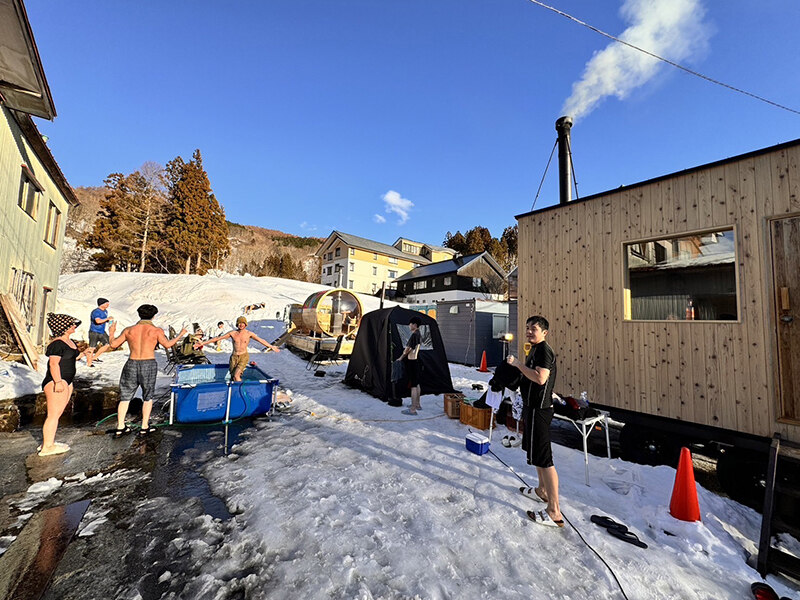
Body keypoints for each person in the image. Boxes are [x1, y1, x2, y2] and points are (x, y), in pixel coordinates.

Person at [507, 315, 562, 528]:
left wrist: (519, 365)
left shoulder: (544, 352)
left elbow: (540, 378)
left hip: (540, 410)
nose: (529, 331)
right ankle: (542, 491)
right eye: (528, 327)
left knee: (545, 459)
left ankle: (554, 510)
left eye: (534, 329)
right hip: (531, 408)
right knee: (536, 455)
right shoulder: (534, 350)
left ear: (545, 333)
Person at [107, 304, 186, 437]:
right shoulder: (155, 331)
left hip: (131, 362)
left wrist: (111, 332)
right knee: (147, 396)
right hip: (148, 363)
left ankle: (120, 426)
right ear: (153, 316)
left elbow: (113, 344)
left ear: (139, 314)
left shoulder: (129, 330)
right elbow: (167, 344)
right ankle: (144, 426)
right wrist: (180, 335)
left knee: (125, 396)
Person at [38, 313, 93, 456]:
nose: (74, 326)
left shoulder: (69, 341)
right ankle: (47, 448)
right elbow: (54, 363)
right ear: (63, 327)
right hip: (56, 381)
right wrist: (57, 382)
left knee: (57, 413)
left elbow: (71, 359)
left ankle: (48, 442)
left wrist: (84, 353)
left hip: (66, 381)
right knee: (53, 415)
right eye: (71, 324)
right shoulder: (57, 344)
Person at [197, 316, 280, 381]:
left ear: (245, 324)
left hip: (243, 356)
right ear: (237, 324)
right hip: (234, 357)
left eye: (243, 323)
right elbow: (217, 339)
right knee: (233, 377)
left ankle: (240, 394)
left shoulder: (249, 334)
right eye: (239, 323)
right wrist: (203, 343)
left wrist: (271, 346)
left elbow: (260, 340)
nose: (241, 325)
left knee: (237, 376)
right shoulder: (233, 333)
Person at [396, 316, 422, 415]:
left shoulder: (414, 335)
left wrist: (401, 358)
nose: (409, 326)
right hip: (416, 362)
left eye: (410, 324)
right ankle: (417, 404)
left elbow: (408, 349)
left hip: (412, 362)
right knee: (417, 383)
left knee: (413, 386)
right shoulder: (419, 334)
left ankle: (413, 409)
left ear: (414, 325)